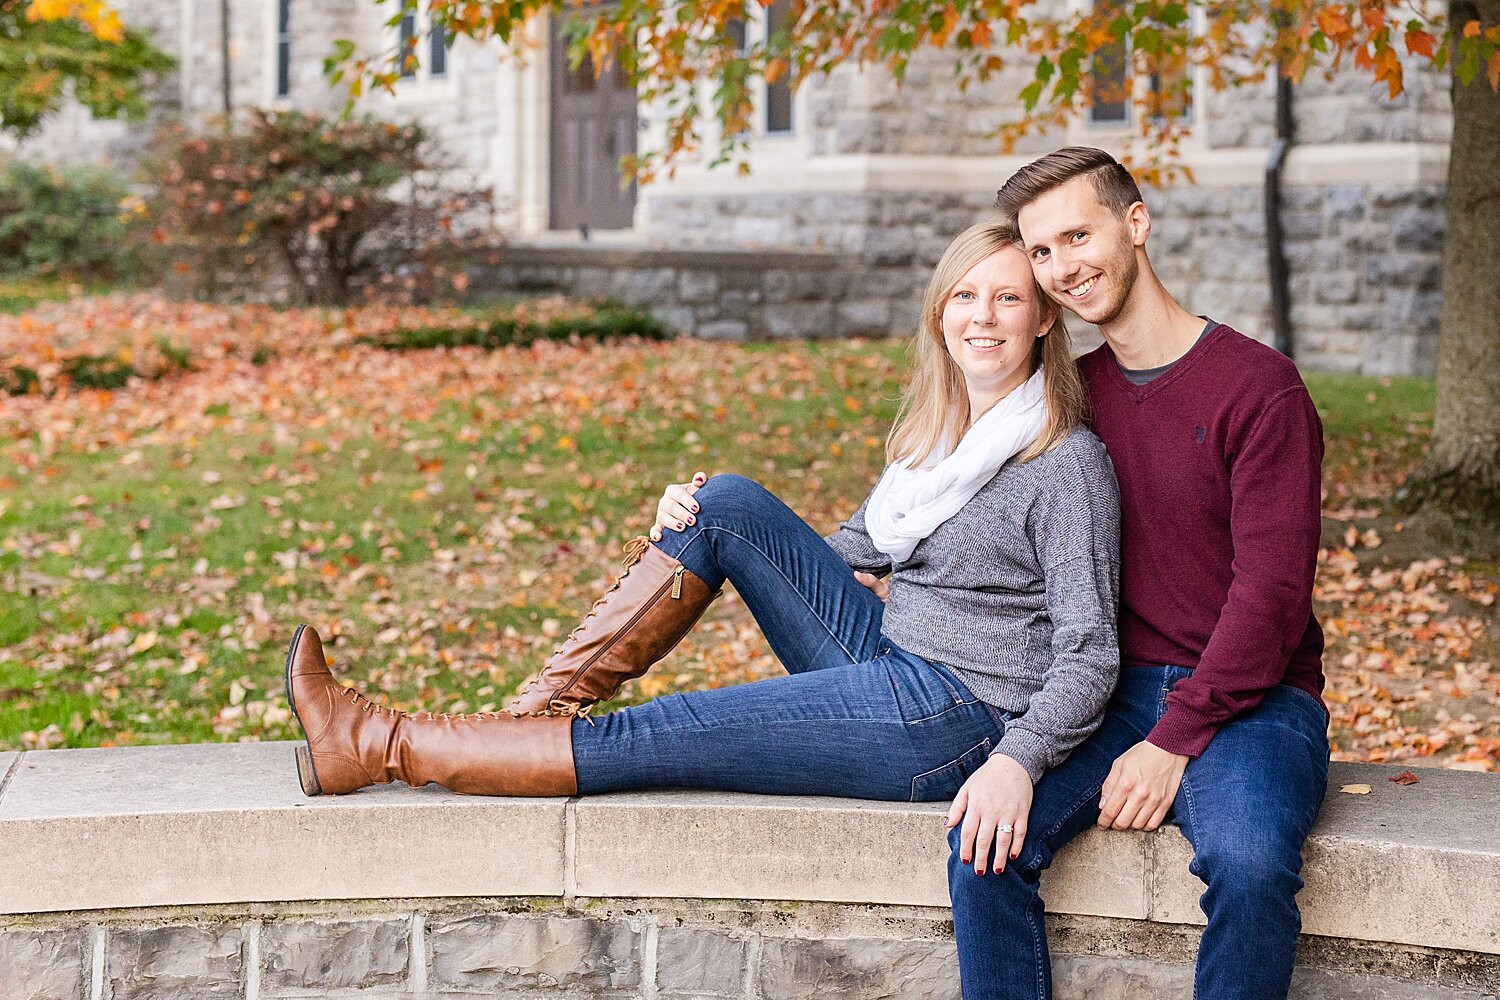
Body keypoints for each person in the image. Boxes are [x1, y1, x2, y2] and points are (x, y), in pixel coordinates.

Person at [284, 223, 1122, 905]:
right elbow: (841, 558)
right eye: (966, 295)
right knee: (723, 501)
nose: (983, 316)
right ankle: (525, 723)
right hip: (889, 653)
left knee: (664, 733)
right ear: (940, 312)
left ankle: (376, 743)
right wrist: (687, 531)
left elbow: (1091, 655)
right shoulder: (941, 444)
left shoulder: (1062, 462)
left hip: (953, 717)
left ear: (1045, 319)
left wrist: (1020, 758)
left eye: (1008, 297)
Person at [942, 147, 1329, 1000]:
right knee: (983, 848)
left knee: (1250, 865)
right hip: (1109, 695)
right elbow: (967, 505)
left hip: (1255, 703)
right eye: (1041, 252)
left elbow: (1269, 598)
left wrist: (1173, 740)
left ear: (1137, 223)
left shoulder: (1259, 390)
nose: (1062, 269)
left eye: (1077, 236)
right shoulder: (1073, 397)